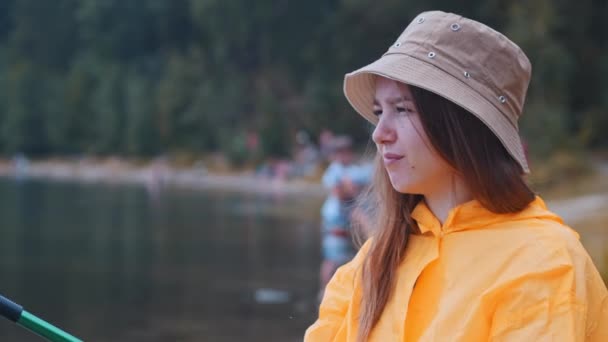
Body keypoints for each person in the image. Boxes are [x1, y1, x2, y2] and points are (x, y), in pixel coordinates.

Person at [305, 10, 607, 341]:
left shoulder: (543, 262)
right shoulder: (373, 261)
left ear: (460, 125)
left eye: (402, 109)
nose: (380, 133)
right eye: (380, 112)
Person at [319, 136, 370, 298]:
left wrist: (350, 188)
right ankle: (325, 291)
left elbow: (362, 187)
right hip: (335, 220)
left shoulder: (353, 171)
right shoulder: (334, 171)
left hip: (347, 219)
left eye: (347, 152)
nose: (345, 156)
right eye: (341, 152)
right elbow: (339, 192)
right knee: (332, 258)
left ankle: (343, 292)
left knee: (347, 257)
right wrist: (351, 188)